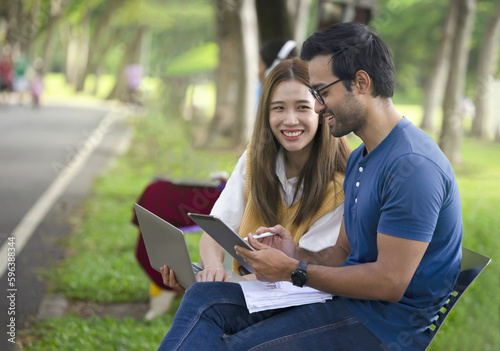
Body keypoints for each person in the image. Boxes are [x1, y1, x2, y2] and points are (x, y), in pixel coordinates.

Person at [157, 22, 462, 351]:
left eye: (322, 92)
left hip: (385, 326)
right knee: (205, 299)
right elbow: (342, 254)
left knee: (238, 346)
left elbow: (390, 283)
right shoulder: (363, 157)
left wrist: (293, 269)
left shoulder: (412, 166)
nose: (317, 106)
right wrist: (295, 253)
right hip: (347, 303)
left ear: (361, 82)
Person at [161, 57, 351, 294]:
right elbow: (216, 229)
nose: (290, 120)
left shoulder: (341, 185)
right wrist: (211, 269)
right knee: (198, 290)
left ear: (322, 110)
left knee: (201, 299)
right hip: (247, 285)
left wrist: (224, 286)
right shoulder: (255, 159)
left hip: (297, 296)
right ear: (266, 112)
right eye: (278, 108)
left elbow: (304, 271)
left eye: (302, 107)